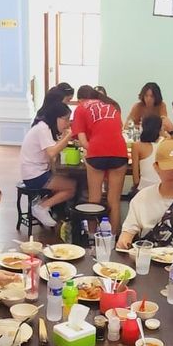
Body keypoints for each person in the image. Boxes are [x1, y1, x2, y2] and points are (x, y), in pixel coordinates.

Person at [71, 85, 128, 236]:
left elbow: (83, 141)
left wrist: (94, 149)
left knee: (94, 198)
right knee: (114, 201)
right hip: (120, 151)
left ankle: (92, 238)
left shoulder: (81, 107)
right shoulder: (111, 105)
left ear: (80, 99)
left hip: (97, 153)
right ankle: (113, 239)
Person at [19, 97, 77, 231]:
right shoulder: (42, 129)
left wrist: (63, 137)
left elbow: (53, 152)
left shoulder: (45, 128)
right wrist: (68, 137)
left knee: (64, 184)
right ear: (56, 117)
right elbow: (52, 153)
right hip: (34, 175)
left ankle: (44, 205)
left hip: (37, 171)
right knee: (72, 187)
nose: (68, 123)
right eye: (66, 119)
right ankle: (41, 207)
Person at [131, 114, 162, 191]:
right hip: (162, 186)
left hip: (144, 188)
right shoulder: (165, 143)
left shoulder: (137, 146)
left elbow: (136, 179)